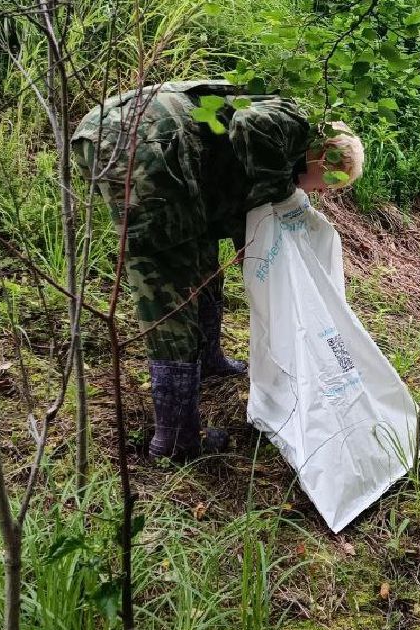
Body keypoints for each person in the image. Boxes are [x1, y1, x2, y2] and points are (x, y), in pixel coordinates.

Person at [72, 80, 364, 461]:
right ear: (321, 159)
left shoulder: (279, 154)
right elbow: (249, 125)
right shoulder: (292, 124)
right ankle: (176, 440)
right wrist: (281, 193)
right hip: (140, 148)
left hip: (159, 152)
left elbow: (232, 203)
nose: (322, 194)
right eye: (329, 184)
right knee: (167, 284)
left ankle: (208, 359)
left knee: (201, 247)